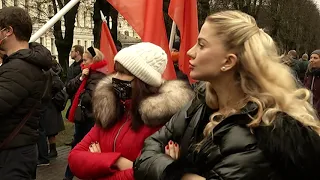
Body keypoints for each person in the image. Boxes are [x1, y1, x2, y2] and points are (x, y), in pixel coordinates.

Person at [134, 11, 320, 180]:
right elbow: (145, 154)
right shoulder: (200, 102)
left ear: (228, 62)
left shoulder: (260, 133)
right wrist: (182, 174)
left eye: (201, 45)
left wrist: (171, 168)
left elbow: (152, 160)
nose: (190, 52)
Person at [67, 42, 194, 180]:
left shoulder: (161, 121)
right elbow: (74, 158)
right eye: (116, 71)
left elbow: (147, 175)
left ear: (142, 80)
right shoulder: (110, 111)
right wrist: (117, 161)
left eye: (122, 73)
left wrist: (98, 164)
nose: (115, 78)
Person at [0, 7, 52, 179]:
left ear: (8, 31)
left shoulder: (19, 68)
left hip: (13, 156)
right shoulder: (22, 64)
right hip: (17, 150)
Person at [63, 47, 108, 180]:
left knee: (82, 148)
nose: (83, 63)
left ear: (94, 60)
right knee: (78, 146)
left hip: (91, 118)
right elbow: (69, 87)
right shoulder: (85, 73)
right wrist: (81, 77)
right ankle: (69, 175)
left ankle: (71, 175)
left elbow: (91, 98)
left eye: (85, 60)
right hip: (82, 117)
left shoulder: (100, 76)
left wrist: (82, 93)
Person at [65, 45, 84, 146]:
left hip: (79, 97)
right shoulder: (72, 66)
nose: (70, 53)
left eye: (72, 51)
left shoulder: (82, 67)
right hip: (72, 96)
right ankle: (76, 137)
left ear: (77, 52)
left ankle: (78, 139)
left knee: (79, 118)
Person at [304, 50, 320, 114]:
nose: (311, 60)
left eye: (315, 58)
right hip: (308, 110)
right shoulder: (309, 73)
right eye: (311, 58)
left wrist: (316, 110)